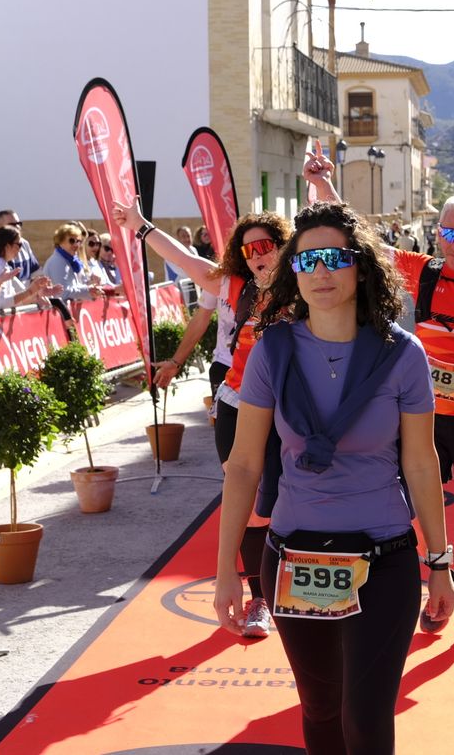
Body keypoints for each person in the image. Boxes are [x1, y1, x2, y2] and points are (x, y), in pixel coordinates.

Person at [213, 200, 454, 754]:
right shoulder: (272, 349)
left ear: (361, 266)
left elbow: (421, 463)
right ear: (292, 272)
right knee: (321, 711)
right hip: (295, 556)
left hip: (384, 556)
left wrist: (439, 564)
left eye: (334, 258)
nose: (320, 272)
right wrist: (227, 567)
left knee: (366, 719)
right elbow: (245, 465)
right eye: (306, 260)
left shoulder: (403, 354)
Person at [313, 171, 454, 649]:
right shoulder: (423, 270)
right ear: (439, 234)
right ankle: (444, 574)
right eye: (450, 234)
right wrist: (327, 186)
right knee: (414, 508)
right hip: (423, 415)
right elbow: (363, 236)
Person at [114, 196, 292, 640]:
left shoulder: (307, 283)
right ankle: (259, 599)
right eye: (249, 250)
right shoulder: (234, 286)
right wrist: (140, 225)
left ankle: (299, 582)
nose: (260, 255)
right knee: (248, 500)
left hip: (291, 406)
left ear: (284, 247)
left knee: (288, 497)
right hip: (237, 401)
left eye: (267, 245)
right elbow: (186, 260)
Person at [0, 226, 57, 311]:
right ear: (7, 246)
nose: (20, 249)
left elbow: (13, 301)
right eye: (19, 245)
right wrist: (29, 292)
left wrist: (36, 294)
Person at [39, 223, 101, 303]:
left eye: (78, 241)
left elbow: (77, 285)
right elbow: (63, 293)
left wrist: (90, 283)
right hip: (59, 312)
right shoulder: (57, 262)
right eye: (72, 241)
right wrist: (88, 290)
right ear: (60, 241)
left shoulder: (73, 261)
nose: (76, 244)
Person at [0, 209, 40, 281]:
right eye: (12, 225)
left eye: (19, 224)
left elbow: (36, 271)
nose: (17, 227)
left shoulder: (24, 244)